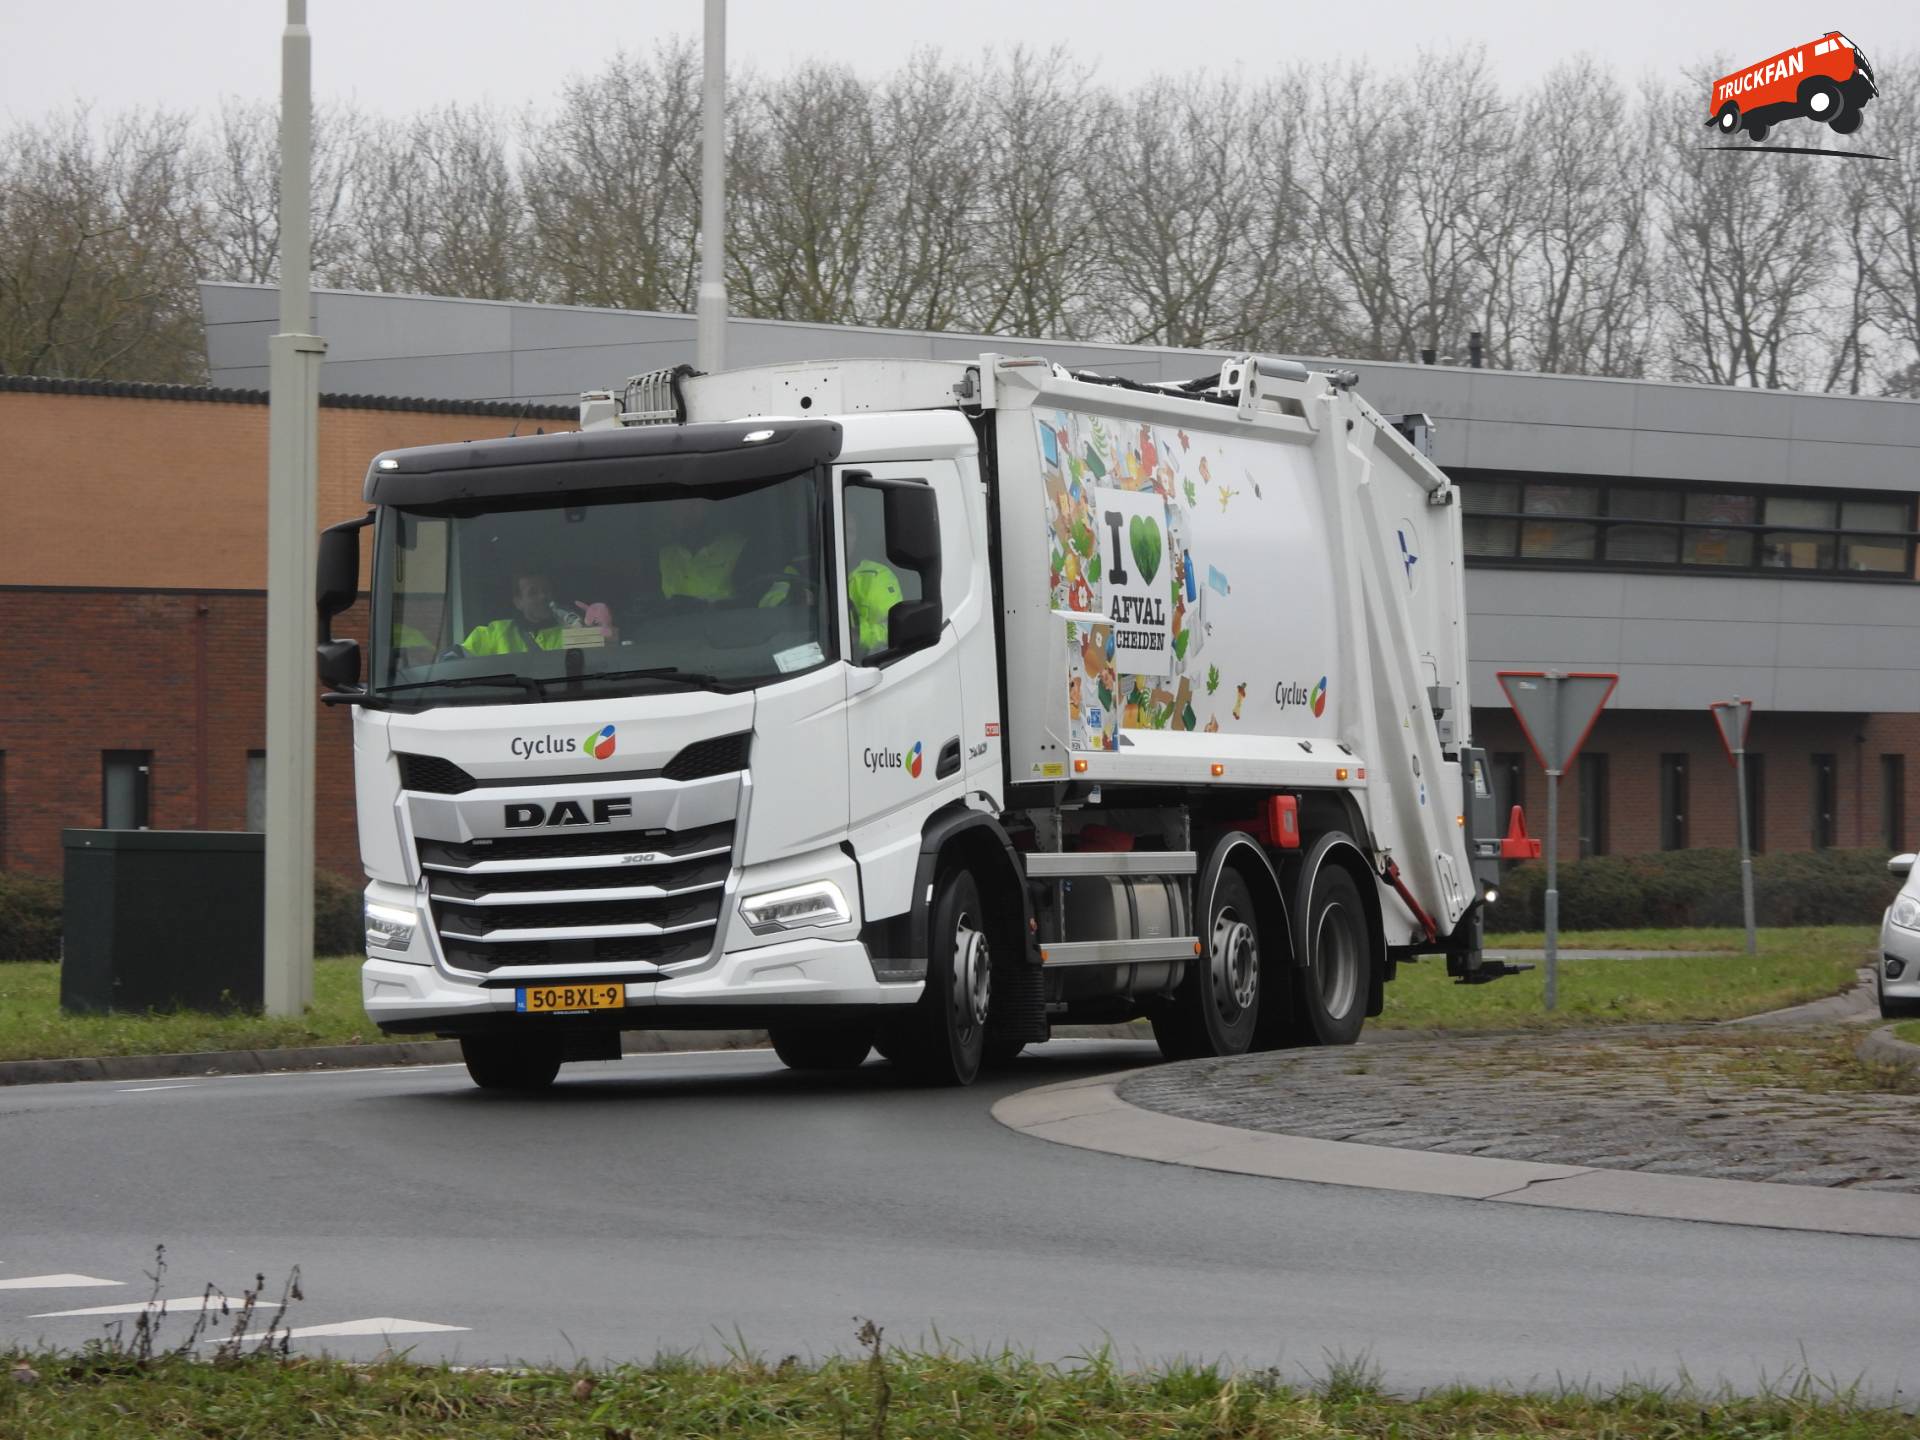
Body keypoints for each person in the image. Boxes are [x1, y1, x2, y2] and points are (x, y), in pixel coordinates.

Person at [844, 500, 903, 656]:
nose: (842, 537)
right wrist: (794, 600)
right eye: (836, 530)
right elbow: (773, 605)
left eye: (849, 531)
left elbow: (895, 630)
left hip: (865, 662)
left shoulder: (879, 575)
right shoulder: (802, 570)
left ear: (858, 537)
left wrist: (858, 634)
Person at [461, 572, 568, 655]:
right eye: (533, 593)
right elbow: (458, 657)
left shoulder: (571, 630)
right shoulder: (495, 632)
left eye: (546, 590)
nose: (543, 596)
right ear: (518, 603)